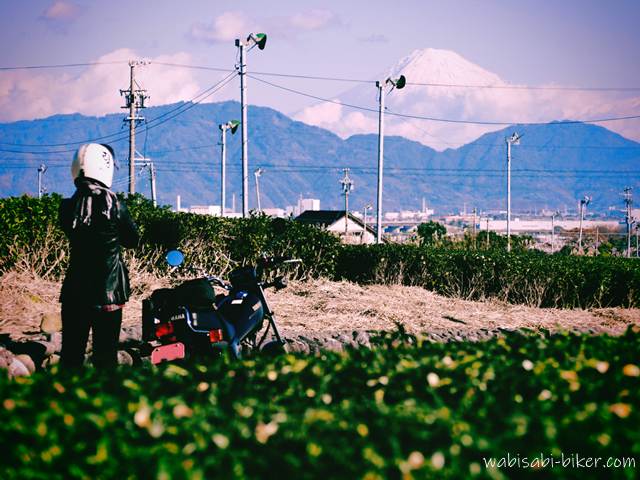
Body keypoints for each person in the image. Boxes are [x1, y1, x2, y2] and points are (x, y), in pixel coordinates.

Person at [59, 143, 139, 368]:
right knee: (106, 354)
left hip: (75, 291)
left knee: (71, 354)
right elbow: (132, 240)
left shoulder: (67, 206)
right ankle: (105, 399)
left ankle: (64, 397)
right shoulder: (115, 205)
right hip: (108, 294)